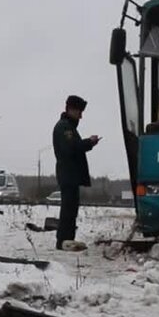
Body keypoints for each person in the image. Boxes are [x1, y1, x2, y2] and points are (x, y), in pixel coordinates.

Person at [52, 95, 100, 251]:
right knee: (68, 209)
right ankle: (63, 240)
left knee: (71, 208)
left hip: (70, 174)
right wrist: (89, 142)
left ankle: (67, 239)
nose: (81, 115)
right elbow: (71, 147)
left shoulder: (68, 127)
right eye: (79, 111)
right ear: (71, 109)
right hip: (68, 174)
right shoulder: (64, 127)